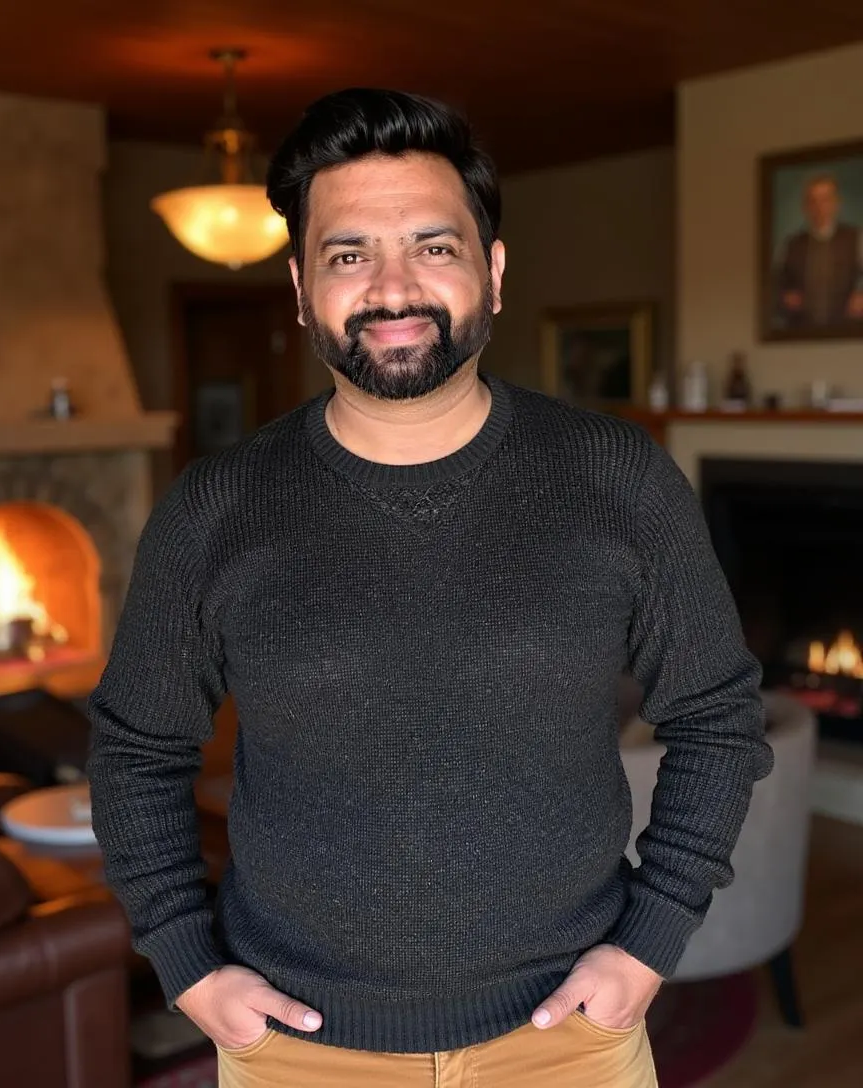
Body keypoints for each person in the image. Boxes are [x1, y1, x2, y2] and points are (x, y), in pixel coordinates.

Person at [87, 88, 773, 1088]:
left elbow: (716, 715)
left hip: (567, 1039)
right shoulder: (216, 508)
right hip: (297, 1050)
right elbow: (135, 747)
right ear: (300, 287)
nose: (392, 286)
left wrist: (651, 936)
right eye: (348, 254)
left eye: (432, 246)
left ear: (492, 271)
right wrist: (185, 962)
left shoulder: (616, 477)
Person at [775, 173, 863, 327]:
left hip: (846, 329)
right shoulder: (792, 244)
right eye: (813, 201)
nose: (819, 207)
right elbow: (776, 285)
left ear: (836, 203)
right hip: (802, 329)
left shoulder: (855, 238)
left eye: (825, 200)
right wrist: (785, 297)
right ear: (805, 207)